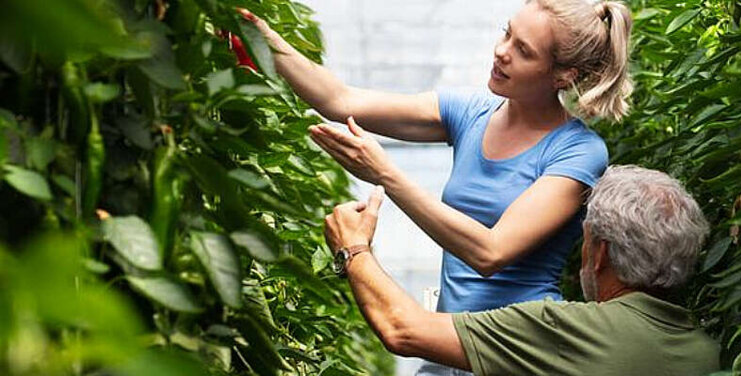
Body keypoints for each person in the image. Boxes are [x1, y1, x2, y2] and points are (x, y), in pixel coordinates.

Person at [238, 0, 631, 372]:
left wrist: (385, 175)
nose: (501, 51)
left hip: (519, 350)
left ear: (564, 75)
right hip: (446, 343)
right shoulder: (469, 112)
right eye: (506, 34)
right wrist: (266, 39)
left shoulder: (578, 152)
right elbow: (340, 100)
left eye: (524, 51)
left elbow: (490, 252)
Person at [324, 165, 720, 375]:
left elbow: (403, 329)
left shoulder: (570, 331)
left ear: (600, 254)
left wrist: (353, 248)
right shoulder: (710, 352)